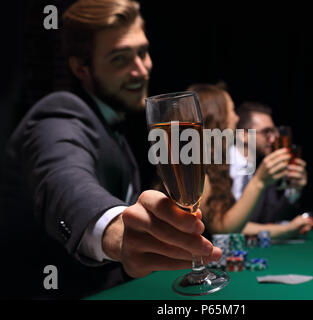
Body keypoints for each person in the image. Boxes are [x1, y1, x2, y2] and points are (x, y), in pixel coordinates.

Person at [0, 0, 221, 299]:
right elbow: (63, 180)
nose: (141, 70)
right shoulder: (58, 115)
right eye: (120, 59)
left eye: (142, 52)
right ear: (81, 68)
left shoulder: (113, 124)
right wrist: (117, 229)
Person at [187, 83, 313, 238]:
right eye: (232, 110)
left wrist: (294, 190)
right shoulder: (197, 168)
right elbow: (222, 228)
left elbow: (267, 218)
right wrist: (259, 181)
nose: (237, 118)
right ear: (216, 118)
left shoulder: (244, 165)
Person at [230, 101, 309, 224]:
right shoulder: (220, 167)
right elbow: (228, 225)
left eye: (273, 132)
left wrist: (294, 189)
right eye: (266, 132)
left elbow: (271, 218)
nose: (273, 139)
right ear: (243, 136)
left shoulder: (261, 166)